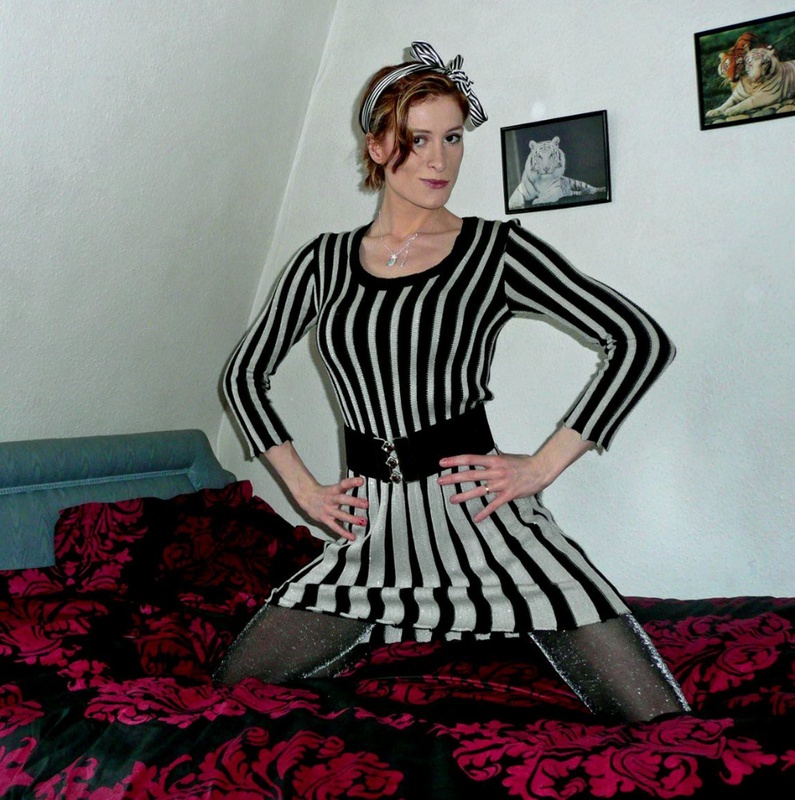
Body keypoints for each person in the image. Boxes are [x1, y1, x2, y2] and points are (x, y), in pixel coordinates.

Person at [216, 41, 690, 723]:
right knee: (231, 691)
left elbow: (639, 341)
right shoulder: (321, 262)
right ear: (377, 147)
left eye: (453, 138)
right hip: (373, 536)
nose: (439, 160)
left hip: (482, 520)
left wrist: (540, 467)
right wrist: (306, 491)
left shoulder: (496, 251)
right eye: (417, 140)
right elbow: (243, 376)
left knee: (657, 721)